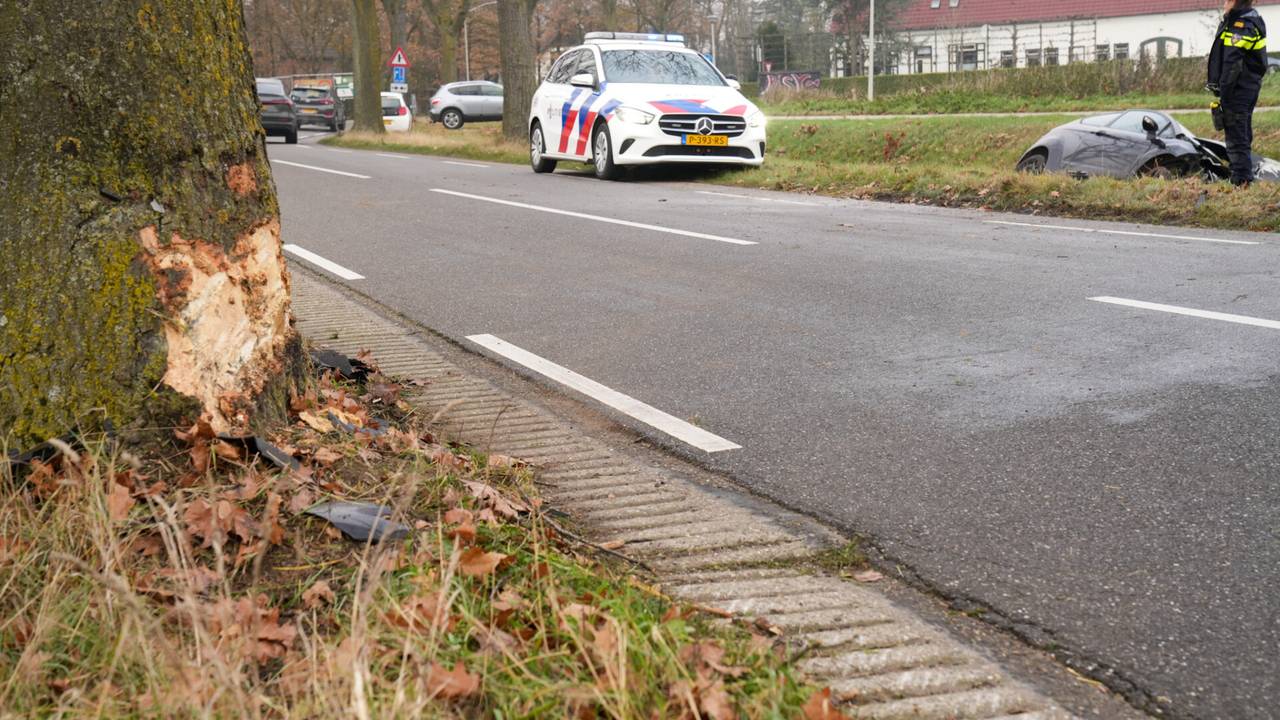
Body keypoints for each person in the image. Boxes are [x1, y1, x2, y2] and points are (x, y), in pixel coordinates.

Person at [1207, 0, 1269, 186]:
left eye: (1227, 0)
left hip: (1238, 89)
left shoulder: (1242, 25)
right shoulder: (1239, 20)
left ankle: (1241, 182)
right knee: (1240, 132)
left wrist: (1224, 93)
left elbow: (1232, 64)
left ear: (1236, 2)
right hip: (1245, 87)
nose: (1224, 4)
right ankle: (1243, 177)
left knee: (1236, 136)